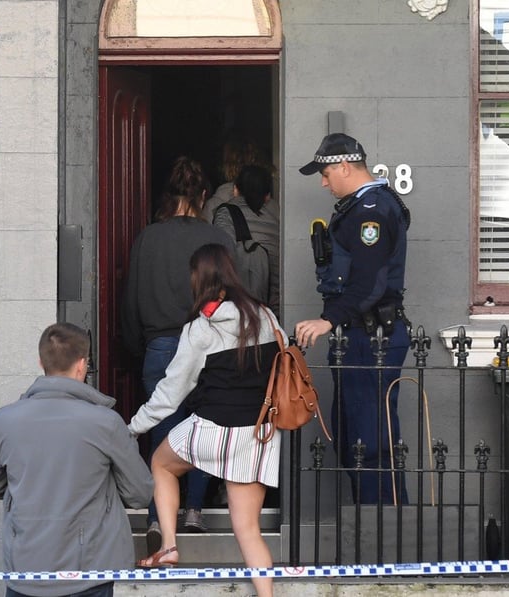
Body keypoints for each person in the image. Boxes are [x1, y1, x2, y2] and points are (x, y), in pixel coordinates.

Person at [128, 243, 283, 597]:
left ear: (199, 280)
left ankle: (168, 546)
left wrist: (131, 427)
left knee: (161, 464)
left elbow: (169, 396)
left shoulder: (201, 329)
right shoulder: (267, 317)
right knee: (248, 529)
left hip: (211, 429)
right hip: (258, 434)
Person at [0, 323, 154, 597]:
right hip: (89, 570)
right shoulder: (105, 422)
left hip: (26, 568)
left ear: (41, 362)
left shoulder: (4, 420)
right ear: (82, 365)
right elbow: (139, 493)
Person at [121, 156, 234, 546]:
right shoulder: (218, 240)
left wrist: (136, 346)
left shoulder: (148, 238)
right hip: (209, 341)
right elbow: (234, 297)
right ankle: (195, 512)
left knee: (162, 430)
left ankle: (156, 518)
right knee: (204, 427)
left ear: (171, 196)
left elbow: (132, 298)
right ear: (204, 196)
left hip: (161, 344)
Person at [293, 133, 412, 505]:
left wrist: (329, 319)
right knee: (351, 441)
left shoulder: (371, 210)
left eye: (326, 173)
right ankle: (372, 528)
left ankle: (387, 539)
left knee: (371, 445)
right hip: (358, 337)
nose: (323, 182)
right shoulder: (358, 207)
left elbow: (370, 283)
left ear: (345, 166)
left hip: (372, 338)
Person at [212, 164, 281, 312]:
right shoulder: (280, 215)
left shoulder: (225, 214)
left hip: (240, 308)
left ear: (236, 189)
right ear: (267, 195)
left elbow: (221, 259)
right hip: (274, 307)